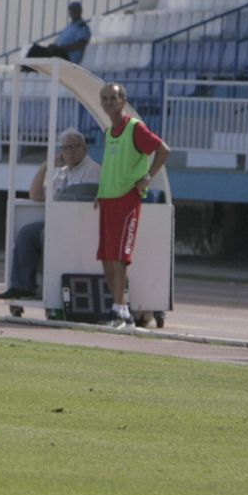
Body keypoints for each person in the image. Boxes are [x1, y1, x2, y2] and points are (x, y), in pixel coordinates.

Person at [0, 128, 102, 301]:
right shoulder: (62, 172)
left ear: (84, 148)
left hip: (78, 226)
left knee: (48, 235)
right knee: (27, 233)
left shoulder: (93, 170)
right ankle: (23, 286)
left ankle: (50, 288)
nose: (70, 151)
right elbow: (36, 195)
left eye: (75, 146)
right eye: (66, 147)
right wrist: (46, 166)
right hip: (58, 223)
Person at [95, 82, 170, 328]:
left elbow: (163, 150)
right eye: (104, 99)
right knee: (106, 258)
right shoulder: (109, 132)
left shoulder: (134, 128)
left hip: (126, 199)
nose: (108, 103)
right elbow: (111, 167)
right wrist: (100, 191)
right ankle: (122, 310)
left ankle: (119, 311)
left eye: (113, 98)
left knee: (120, 258)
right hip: (108, 199)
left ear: (123, 101)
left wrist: (147, 177)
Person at [26, 1, 91, 64]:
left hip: (68, 57)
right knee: (35, 49)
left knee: (36, 51)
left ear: (80, 11)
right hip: (59, 52)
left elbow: (80, 44)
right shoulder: (70, 26)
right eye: (71, 10)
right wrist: (54, 46)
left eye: (75, 10)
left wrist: (60, 48)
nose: (73, 12)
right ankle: (25, 70)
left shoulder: (82, 27)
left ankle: (26, 69)